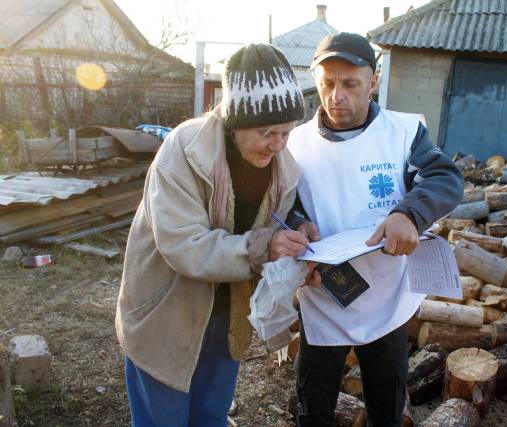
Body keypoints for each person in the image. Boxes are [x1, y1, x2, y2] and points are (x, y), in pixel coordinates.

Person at [115, 44, 311, 427]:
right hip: (167, 309)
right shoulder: (185, 151)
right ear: (234, 123)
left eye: (286, 132)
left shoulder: (283, 166)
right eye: (267, 132)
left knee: (210, 415)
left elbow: (278, 218)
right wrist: (262, 246)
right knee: (163, 418)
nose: (278, 144)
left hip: (226, 313)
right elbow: (182, 245)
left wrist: (297, 227)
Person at [286, 32, 464, 426]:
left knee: (386, 401)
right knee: (314, 403)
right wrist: (298, 223)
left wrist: (409, 214)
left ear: (373, 80)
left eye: (350, 84)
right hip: (324, 291)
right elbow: (282, 203)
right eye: (327, 83)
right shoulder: (295, 144)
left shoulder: (402, 132)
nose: (337, 96)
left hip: (387, 297)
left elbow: (444, 177)